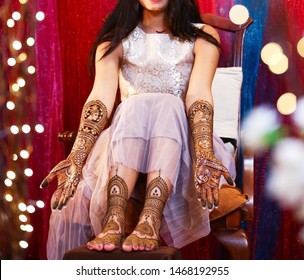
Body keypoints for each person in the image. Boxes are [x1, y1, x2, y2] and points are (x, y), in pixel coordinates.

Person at [41, 0, 236, 259]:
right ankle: (115, 219)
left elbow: (198, 94)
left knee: (167, 102)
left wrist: (204, 155)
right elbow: (100, 98)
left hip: (184, 150)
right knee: (133, 104)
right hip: (125, 144)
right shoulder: (116, 41)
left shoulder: (201, 36)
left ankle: (150, 219)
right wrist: (76, 157)